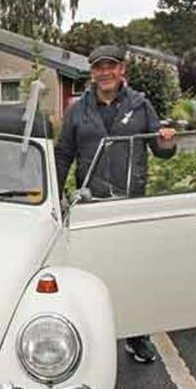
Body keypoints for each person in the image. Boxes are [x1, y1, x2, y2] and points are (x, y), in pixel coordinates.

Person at [55, 44, 177, 363]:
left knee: (134, 271)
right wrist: (53, 195)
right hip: (91, 203)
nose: (105, 72)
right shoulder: (77, 110)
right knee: (91, 273)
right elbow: (63, 154)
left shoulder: (140, 105)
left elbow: (160, 149)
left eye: (110, 66)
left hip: (130, 203)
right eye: (98, 67)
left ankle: (136, 337)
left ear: (122, 69)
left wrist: (167, 142)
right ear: (92, 73)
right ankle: (88, 338)